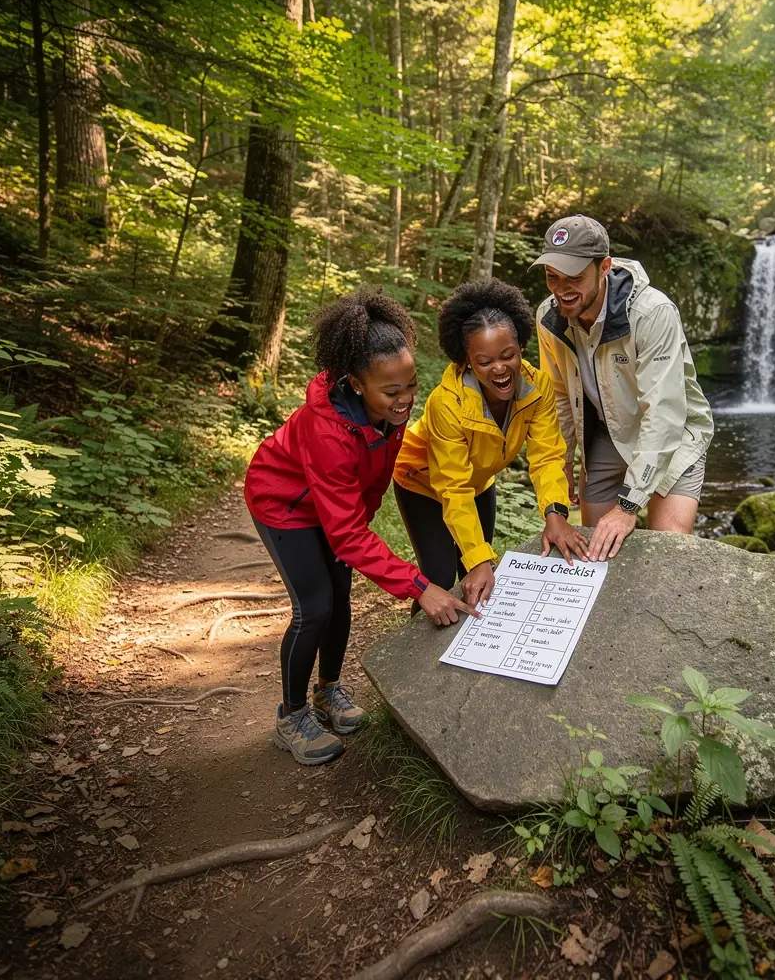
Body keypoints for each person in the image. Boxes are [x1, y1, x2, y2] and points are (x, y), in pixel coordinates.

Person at [244, 288, 476, 767]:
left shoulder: (387, 416)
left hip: (333, 511)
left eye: (411, 385)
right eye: (392, 392)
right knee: (315, 606)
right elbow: (346, 533)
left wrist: (356, 534)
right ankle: (292, 715)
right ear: (354, 383)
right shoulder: (327, 430)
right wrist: (419, 587)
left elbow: (362, 498)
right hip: (284, 504)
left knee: (341, 599)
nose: (406, 399)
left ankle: (329, 689)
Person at [393, 278, 588, 608]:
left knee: (478, 577)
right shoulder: (446, 404)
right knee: (440, 577)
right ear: (466, 361)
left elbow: (547, 455)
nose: (499, 368)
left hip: (480, 481)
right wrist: (477, 558)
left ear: (521, 348)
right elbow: (452, 486)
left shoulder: (537, 388)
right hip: (422, 482)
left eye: (508, 355)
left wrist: (555, 513)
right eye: (484, 362)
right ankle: (421, 652)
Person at [533, 214, 714, 561]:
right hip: (603, 436)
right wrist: (563, 467)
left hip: (674, 437)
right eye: (552, 277)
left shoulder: (652, 313)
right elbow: (558, 398)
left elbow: (664, 413)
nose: (561, 288)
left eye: (574, 277)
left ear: (604, 267)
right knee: (596, 554)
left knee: (668, 550)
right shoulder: (548, 318)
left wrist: (629, 504)